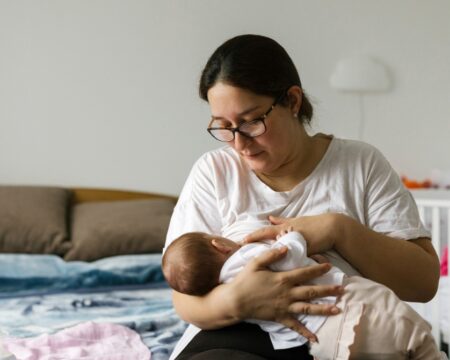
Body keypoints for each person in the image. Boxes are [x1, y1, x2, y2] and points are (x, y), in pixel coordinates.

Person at [164, 34, 441, 360]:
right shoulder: (214, 172)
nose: (239, 143)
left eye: (251, 122)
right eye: (224, 127)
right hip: (231, 333)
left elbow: (423, 283)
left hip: (335, 334)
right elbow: (182, 297)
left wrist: (339, 230)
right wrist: (240, 301)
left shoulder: (360, 164)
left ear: (292, 102)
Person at [162, 229, 443, 359]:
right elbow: (288, 255)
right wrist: (293, 235)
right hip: (347, 311)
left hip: (321, 345)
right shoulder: (246, 258)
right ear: (219, 244)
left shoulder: (220, 285)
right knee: (409, 332)